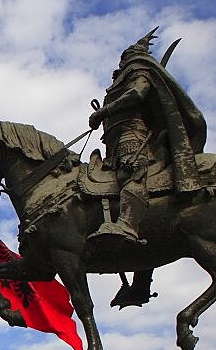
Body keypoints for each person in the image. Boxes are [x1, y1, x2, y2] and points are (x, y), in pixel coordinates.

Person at [88, 27, 206, 249]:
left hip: (132, 133)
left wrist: (102, 112)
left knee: (130, 174)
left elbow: (137, 94)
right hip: (115, 138)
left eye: (124, 57)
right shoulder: (123, 77)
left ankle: (127, 225)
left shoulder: (137, 70)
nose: (121, 62)